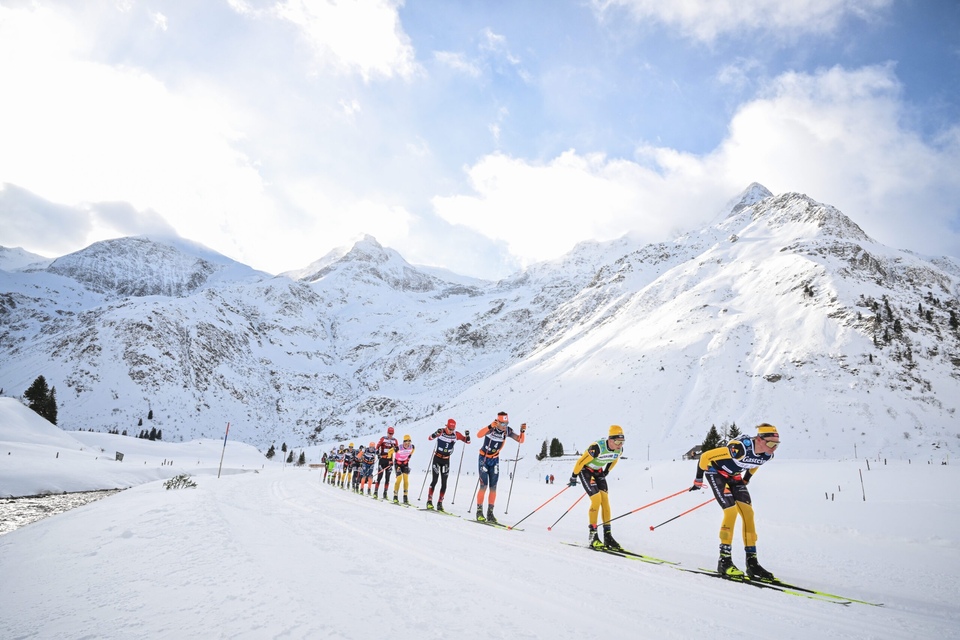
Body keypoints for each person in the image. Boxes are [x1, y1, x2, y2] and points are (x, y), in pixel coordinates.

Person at [690, 423, 781, 580]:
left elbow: (755, 464)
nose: (773, 448)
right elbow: (705, 456)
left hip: (735, 477)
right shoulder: (740, 448)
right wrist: (698, 479)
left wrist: (746, 479)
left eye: (777, 445)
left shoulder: (767, 454)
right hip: (716, 473)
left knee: (748, 513)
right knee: (730, 511)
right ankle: (724, 561)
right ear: (759, 439)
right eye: (771, 443)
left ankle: (752, 564)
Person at [568, 425, 625, 550]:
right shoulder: (597, 448)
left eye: (622, 442)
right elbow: (580, 461)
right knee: (596, 499)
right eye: (617, 442)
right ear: (610, 440)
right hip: (586, 470)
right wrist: (573, 476)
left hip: (598, 471)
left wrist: (607, 471)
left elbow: (614, 459)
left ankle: (607, 536)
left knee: (605, 501)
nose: (620, 445)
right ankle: (592, 535)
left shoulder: (619, 450)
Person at [475, 411, 526, 524]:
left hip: (495, 459)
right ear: (497, 422)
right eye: (503, 424)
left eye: (506, 423)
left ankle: (490, 513)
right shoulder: (491, 428)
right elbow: (478, 435)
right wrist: (490, 426)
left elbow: (520, 440)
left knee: (493, 487)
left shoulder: (507, 431)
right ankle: (479, 512)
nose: (504, 426)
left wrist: (522, 431)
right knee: (483, 486)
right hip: (483, 458)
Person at [426, 419, 470, 511]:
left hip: (446, 460)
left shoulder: (456, 434)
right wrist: (435, 434)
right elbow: (429, 438)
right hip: (437, 458)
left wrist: (467, 436)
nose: (451, 431)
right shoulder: (441, 431)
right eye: (449, 429)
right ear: (446, 426)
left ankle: (440, 503)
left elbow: (467, 442)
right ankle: (429, 501)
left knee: (444, 483)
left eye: (452, 429)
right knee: (434, 480)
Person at [373, 426, 400, 499]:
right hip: (382, 460)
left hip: (390, 461)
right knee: (380, 477)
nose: (390, 435)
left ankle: (385, 493)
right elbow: (377, 447)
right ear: (387, 433)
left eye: (392, 433)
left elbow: (397, 450)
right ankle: (375, 492)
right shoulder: (383, 439)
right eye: (389, 433)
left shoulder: (395, 440)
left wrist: (396, 449)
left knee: (387, 478)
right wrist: (378, 453)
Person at [392, 435, 416, 504]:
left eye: (409, 442)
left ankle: (405, 497)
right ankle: (395, 496)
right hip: (398, 463)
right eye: (406, 442)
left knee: (406, 479)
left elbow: (412, 451)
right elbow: (390, 452)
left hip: (405, 463)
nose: (407, 444)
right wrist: (390, 461)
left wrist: (408, 458)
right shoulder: (399, 447)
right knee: (399, 478)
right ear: (403, 442)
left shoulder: (412, 447)